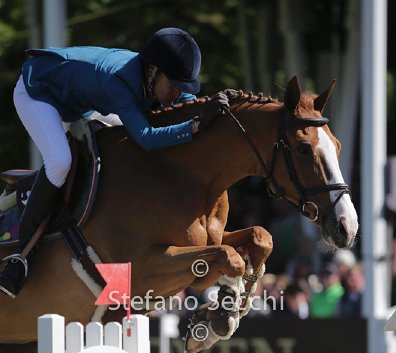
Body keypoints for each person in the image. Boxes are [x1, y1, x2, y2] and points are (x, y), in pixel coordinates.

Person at [0, 28, 229, 298]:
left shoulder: (153, 78)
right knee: (60, 161)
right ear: (153, 70)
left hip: (82, 102)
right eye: (174, 85)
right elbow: (147, 137)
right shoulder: (119, 81)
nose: (177, 93)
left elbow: (184, 107)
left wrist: (211, 109)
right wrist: (194, 126)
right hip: (38, 92)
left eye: (183, 88)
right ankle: (21, 257)